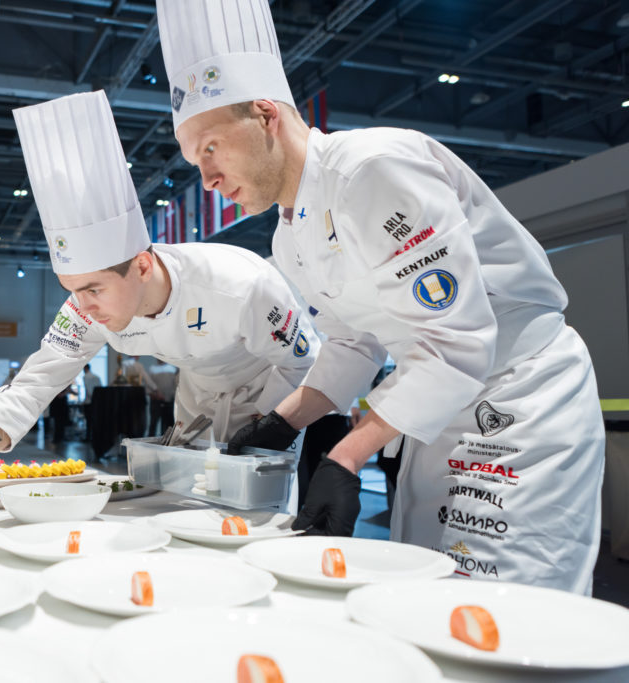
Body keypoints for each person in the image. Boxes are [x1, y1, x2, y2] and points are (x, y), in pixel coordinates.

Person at [157, 0, 604, 594]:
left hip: (519, 394)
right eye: (194, 162)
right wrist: (283, 422)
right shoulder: (289, 234)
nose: (206, 179)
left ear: (265, 115)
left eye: (210, 147)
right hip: (432, 412)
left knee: (508, 603)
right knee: (427, 587)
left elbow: (460, 340)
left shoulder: (374, 169)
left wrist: (346, 456)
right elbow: (353, 342)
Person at [0, 90, 319, 511]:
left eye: (94, 288)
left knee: (257, 521)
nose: (82, 305)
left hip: (269, 401)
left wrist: (272, 422)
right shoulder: (86, 308)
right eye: (72, 290)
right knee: (183, 515)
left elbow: (306, 363)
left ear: (142, 265)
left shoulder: (242, 284)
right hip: (196, 408)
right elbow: (31, 389)